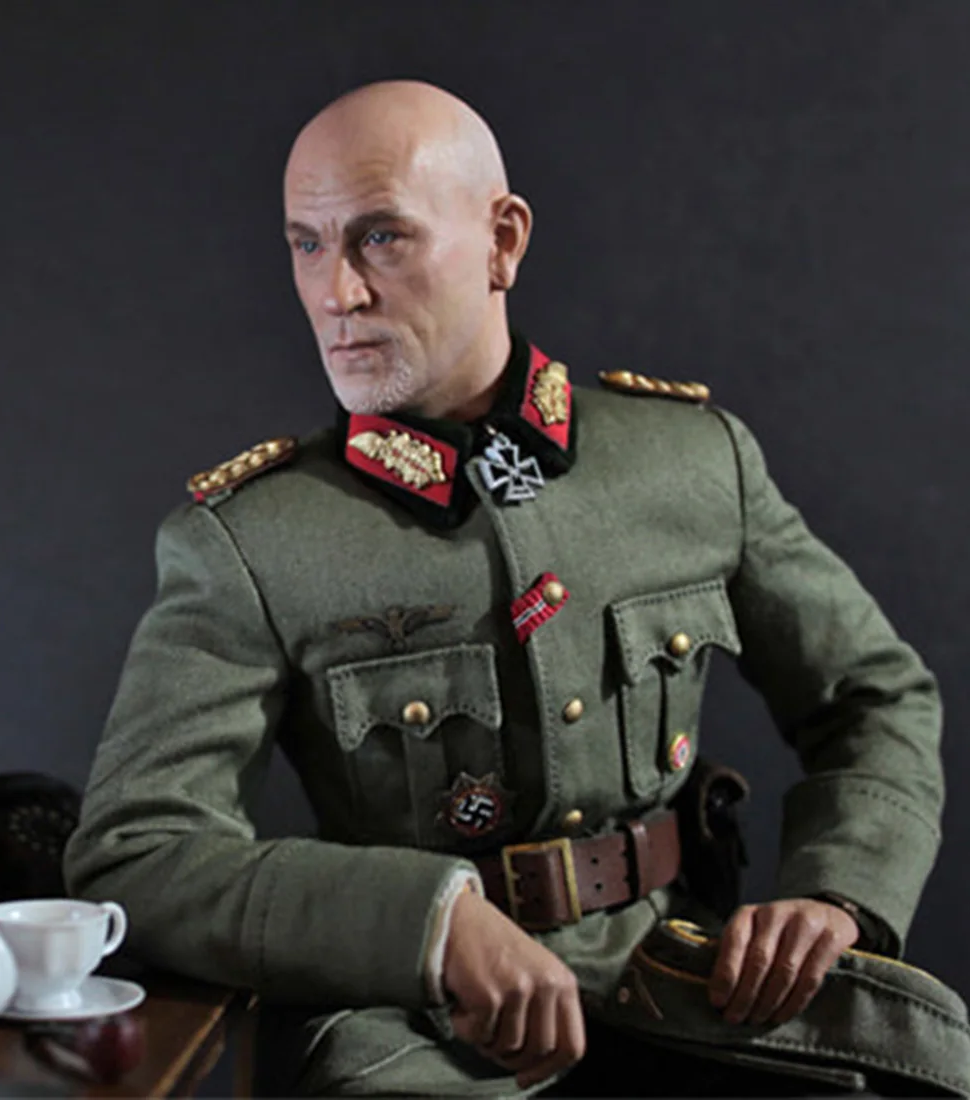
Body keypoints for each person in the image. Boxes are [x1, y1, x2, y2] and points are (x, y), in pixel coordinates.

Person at [63, 81, 949, 1096]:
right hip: (419, 1039)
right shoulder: (253, 542)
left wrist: (838, 893)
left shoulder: (691, 464)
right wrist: (427, 923)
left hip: (687, 995)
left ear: (502, 242)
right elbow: (137, 851)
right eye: (306, 244)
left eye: (380, 237)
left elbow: (876, 693)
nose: (336, 292)